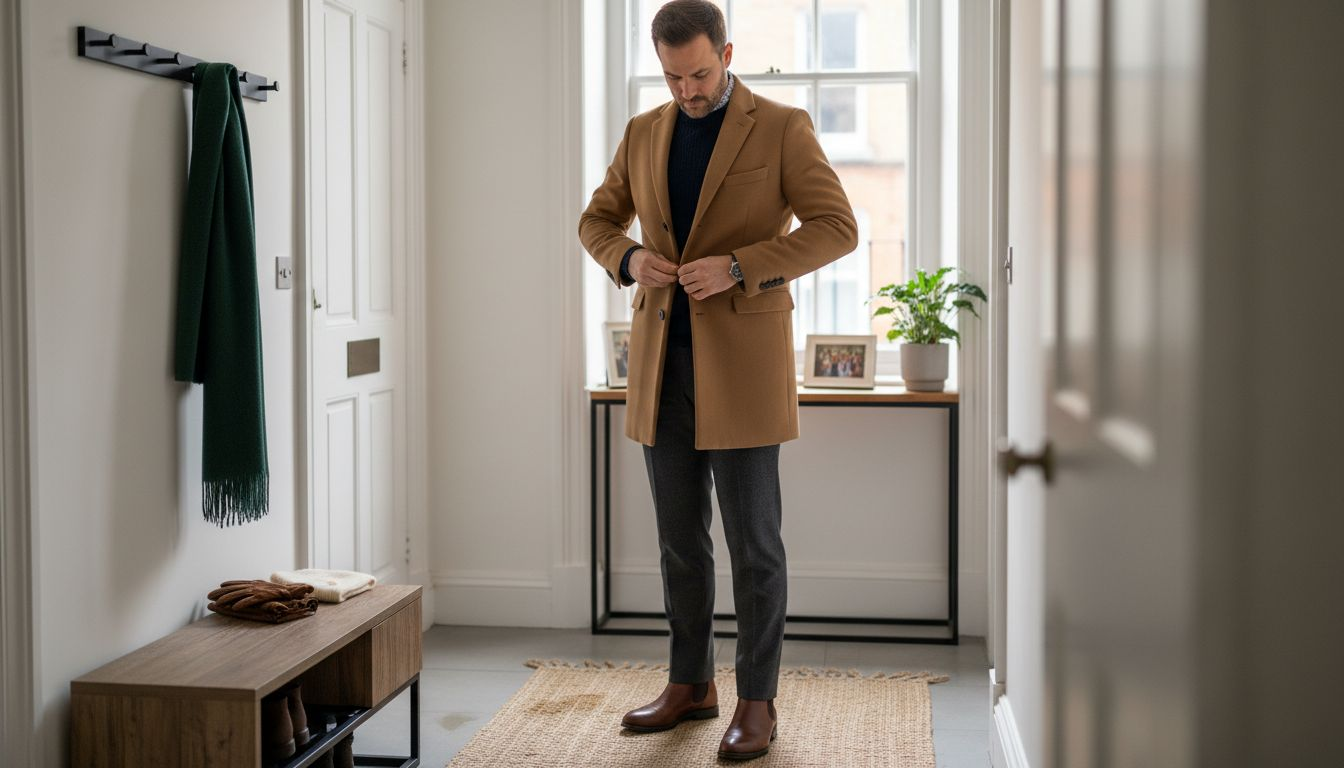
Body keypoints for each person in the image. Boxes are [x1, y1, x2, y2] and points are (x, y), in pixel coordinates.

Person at [577, 0, 856, 761]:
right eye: (672, 76)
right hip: (661, 369)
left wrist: (740, 267)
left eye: (699, 73)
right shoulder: (643, 133)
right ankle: (690, 684)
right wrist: (631, 260)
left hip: (744, 370)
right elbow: (596, 221)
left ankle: (756, 702)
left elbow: (837, 226)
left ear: (727, 53)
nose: (687, 90)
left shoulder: (782, 126)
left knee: (754, 546)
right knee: (678, 544)